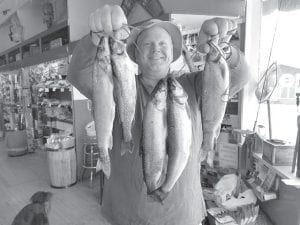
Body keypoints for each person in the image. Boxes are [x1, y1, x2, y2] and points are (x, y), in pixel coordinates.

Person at [67, 4, 250, 225]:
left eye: (163, 43)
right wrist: (94, 41)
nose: (156, 49)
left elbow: (238, 77)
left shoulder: (193, 85)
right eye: (148, 44)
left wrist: (223, 50)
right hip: (128, 213)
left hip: (183, 213)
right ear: (134, 53)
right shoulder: (119, 86)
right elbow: (79, 75)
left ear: (172, 52)